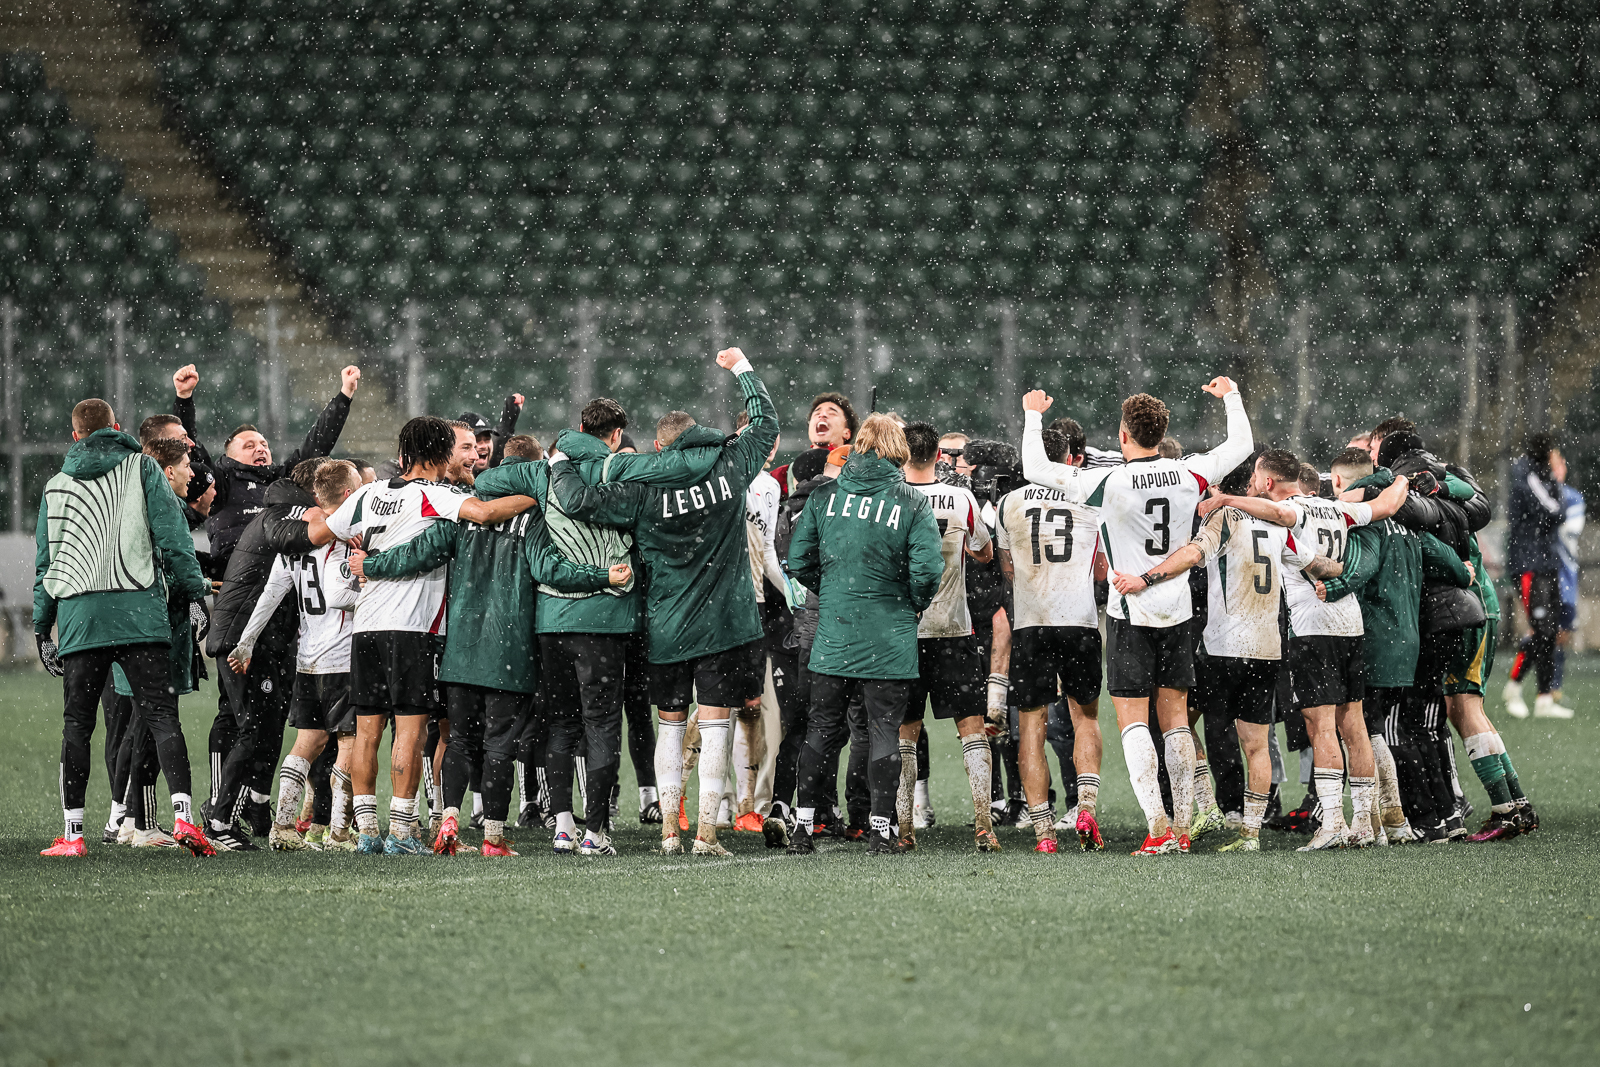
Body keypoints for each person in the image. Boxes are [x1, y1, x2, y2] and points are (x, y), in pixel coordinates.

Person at [548, 348, 778, 857]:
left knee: (671, 722)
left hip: (666, 622)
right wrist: (742, 367)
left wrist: (563, 459)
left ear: (657, 444)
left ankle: (670, 832)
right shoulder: (730, 463)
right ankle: (707, 835)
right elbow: (766, 422)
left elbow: (578, 501)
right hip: (723, 622)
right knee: (716, 723)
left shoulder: (640, 483)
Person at [1020, 376, 1253, 855]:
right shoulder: (1190, 473)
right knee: (1176, 723)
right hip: (1179, 609)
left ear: (1124, 435)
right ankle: (1184, 828)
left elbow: (1034, 467)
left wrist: (1032, 414)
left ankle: (1159, 828)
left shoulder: (1106, 481)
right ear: (1161, 430)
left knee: (1133, 724)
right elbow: (1242, 444)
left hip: (1131, 611)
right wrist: (1231, 396)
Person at [353, 459, 627, 858]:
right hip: (509, 650)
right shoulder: (533, 517)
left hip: (461, 647)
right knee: (500, 744)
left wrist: (372, 564)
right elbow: (549, 568)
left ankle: (448, 816)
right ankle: (493, 839)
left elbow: (417, 553)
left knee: (460, 740)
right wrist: (602, 577)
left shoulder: (461, 510)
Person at [323, 416, 538, 854]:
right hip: (412, 627)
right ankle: (401, 831)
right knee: (410, 732)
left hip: (365, 625)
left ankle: (366, 830)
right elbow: (484, 511)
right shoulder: (434, 494)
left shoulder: (367, 493)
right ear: (440, 455)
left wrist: (362, 556)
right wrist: (538, 491)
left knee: (367, 731)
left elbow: (324, 530)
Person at [1123, 449, 1353, 851]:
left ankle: (1207, 806)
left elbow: (1194, 554)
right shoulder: (1278, 528)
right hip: (1267, 648)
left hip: (1222, 647)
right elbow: (1320, 565)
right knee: (1256, 744)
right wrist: (1348, 572)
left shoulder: (1224, 516)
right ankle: (1250, 834)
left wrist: (1148, 577)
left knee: (1176, 721)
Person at [35, 399, 215, 857]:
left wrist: (42, 627)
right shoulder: (143, 468)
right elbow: (173, 538)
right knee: (161, 717)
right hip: (141, 613)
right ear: (116, 428)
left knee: (77, 725)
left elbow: (45, 564)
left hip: (80, 618)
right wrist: (196, 594)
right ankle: (184, 820)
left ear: (75, 435)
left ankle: (74, 836)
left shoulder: (55, 486)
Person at [786, 414, 945, 855]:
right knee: (883, 732)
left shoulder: (824, 495)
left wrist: (835, 590)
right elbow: (929, 571)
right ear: (898, 449)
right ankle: (879, 829)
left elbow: (797, 562)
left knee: (820, 730)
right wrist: (909, 602)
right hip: (889, 635)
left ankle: (803, 827)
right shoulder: (911, 501)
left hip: (834, 631)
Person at [203, 457, 342, 848]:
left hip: (257, 639)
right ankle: (219, 821)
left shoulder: (280, 510)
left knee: (265, 727)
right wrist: (341, 522)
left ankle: (255, 811)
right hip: (243, 639)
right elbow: (294, 537)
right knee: (253, 729)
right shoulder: (279, 512)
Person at [995, 421, 1108, 853]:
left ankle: (1043, 832)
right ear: (1071, 459)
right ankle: (1086, 809)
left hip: (1030, 623)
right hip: (1078, 620)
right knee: (1085, 718)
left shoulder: (1007, 503)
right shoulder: (1089, 497)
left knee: (1031, 726)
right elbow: (1100, 570)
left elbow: (1006, 569)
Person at [896, 422, 998, 851]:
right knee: (971, 727)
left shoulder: (890, 499)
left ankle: (904, 830)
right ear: (939, 455)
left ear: (901, 454)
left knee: (904, 731)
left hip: (904, 629)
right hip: (953, 626)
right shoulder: (961, 497)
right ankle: (983, 825)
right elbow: (985, 550)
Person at [1504, 432, 1574, 719]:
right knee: (1541, 629)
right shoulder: (1527, 474)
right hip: (1528, 564)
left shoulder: (1541, 476)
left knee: (1550, 631)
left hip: (1546, 561)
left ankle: (1544, 698)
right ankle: (1514, 686)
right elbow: (1556, 512)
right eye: (1556, 455)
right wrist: (1556, 483)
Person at [458, 394, 525, 474]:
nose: (484, 446)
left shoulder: (498, 471)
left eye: (487, 439)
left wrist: (508, 422)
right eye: (477, 440)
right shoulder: (446, 479)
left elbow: (499, 444)